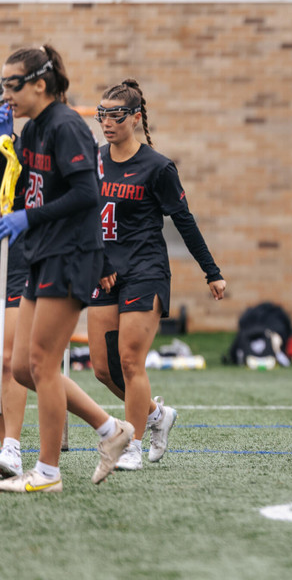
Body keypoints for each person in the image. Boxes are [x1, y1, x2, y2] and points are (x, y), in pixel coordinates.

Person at [0, 45, 133, 493]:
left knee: (41, 363)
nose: (5, 94)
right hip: (43, 253)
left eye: (11, 84)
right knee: (22, 367)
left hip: (70, 254)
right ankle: (110, 429)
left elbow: (86, 194)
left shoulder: (66, 125)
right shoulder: (33, 129)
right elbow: (25, 187)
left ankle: (48, 473)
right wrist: (7, 146)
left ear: (40, 84)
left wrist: (28, 218)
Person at [87, 79, 227, 471]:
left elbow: (184, 221)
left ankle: (130, 445)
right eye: (102, 115)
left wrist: (211, 272)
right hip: (104, 273)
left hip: (145, 271)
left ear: (136, 117)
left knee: (130, 361)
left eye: (116, 115)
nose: (107, 122)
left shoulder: (158, 167)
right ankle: (156, 415)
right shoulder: (93, 161)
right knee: (103, 369)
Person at [0, 103, 28, 479]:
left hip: (17, 258)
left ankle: (13, 446)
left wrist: (8, 143)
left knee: (9, 358)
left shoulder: (22, 149)